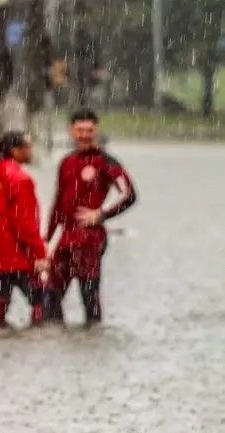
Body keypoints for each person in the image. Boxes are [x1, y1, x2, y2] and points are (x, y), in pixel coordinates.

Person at [43, 109, 137, 326]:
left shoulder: (106, 161)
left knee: (89, 294)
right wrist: (46, 239)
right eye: (80, 130)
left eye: (89, 130)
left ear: (96, 130)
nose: (84, 135)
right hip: (66, 237)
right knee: (49, 295)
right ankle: (55, 344)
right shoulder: (66, 162)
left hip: (89, 239)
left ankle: (92, 339)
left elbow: (129, 194)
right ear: (71, 131)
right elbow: (58, 202)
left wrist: (102, 214)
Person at [0, 130, 49, 328]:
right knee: (41, 303)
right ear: (15, 151)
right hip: (18, 256)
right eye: (27, 147)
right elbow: (24, 222)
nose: (30, 151)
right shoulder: (20, 179)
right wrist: (39, 253)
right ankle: (35, 343)